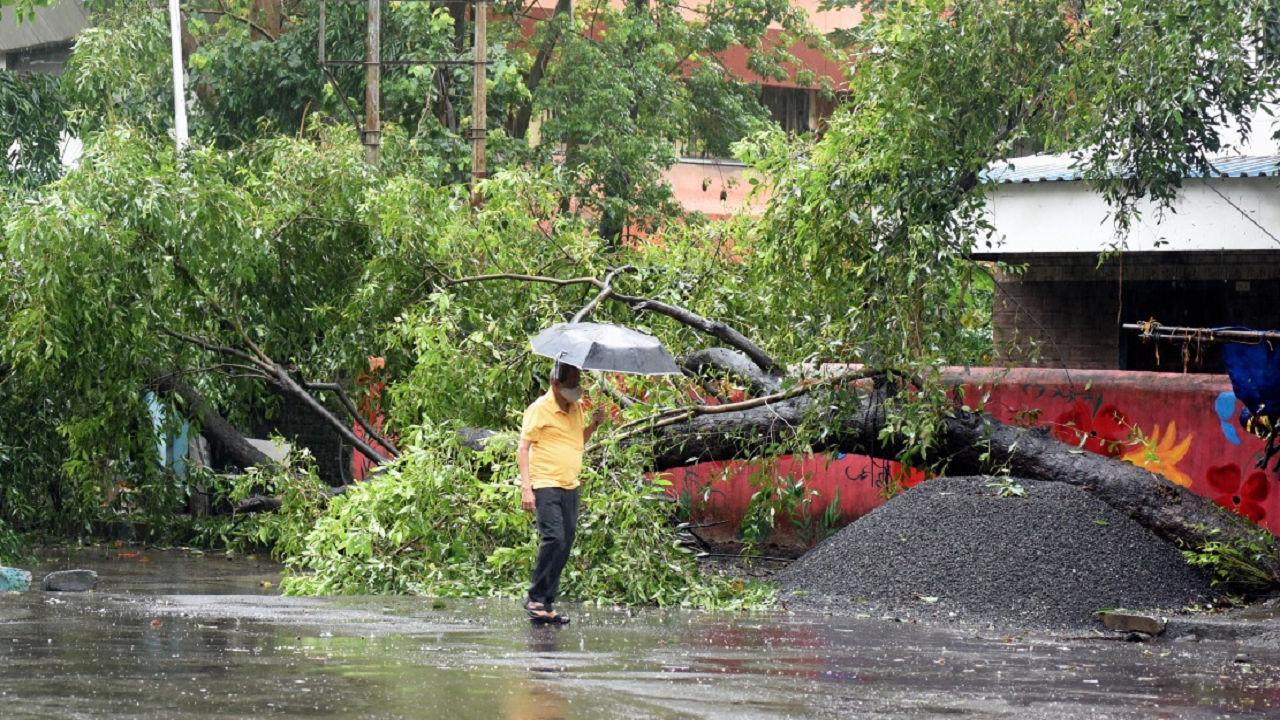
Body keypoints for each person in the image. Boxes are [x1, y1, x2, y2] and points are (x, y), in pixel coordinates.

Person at [516, 362, 605, 624]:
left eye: (578, 382)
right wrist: (526, 488)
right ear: (556, 384)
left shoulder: (576, 407)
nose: (577, 389)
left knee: (565, 543)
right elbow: (523, 449)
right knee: (553, 538)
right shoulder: (539, 409)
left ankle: (546, 603)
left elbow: (578, 442)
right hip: (545, 483)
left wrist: (594, 425)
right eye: (571, 383)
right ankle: (534, 597)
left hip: (570, 484)